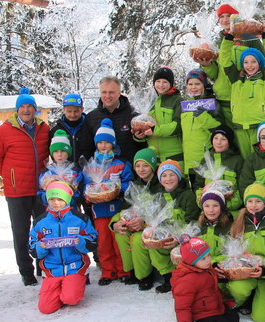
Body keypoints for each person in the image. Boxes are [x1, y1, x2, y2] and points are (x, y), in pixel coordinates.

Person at [0, 88, 50, 286]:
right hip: (18, 190)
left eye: (29, 106)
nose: (26, 110)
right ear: (17, 110)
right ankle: (26, 271)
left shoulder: (44, 128)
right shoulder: (3, 131)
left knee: (42, 229)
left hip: (40, 188)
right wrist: (10, 176)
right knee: (21, 232)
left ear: (35, 109)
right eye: (22, 106)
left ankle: (45, 266)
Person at [222, 183, 265, 321]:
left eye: (258, 201)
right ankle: (244, 300)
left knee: (260, 317)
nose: (254, 205)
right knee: (237, 289)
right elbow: (232, 250)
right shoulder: (240, 222)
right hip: (245, 273)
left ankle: (257, 300)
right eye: (250, 201)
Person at [29, 182, 97, 314]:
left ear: (67, 199)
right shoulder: (40, 222)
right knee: (45, 309)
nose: (56, 203)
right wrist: (40, 246)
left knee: (71, 299)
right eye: (52, 199)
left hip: (74, 266)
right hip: (52, 269)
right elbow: (32, 247)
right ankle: (58, 287)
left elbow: (94, 241)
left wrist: (81, 241)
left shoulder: (80, 219)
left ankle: (73, 284)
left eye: (60, 199)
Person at [82, 119, 134, 285]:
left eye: (107, 143)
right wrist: (89, 194)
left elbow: (128, 182)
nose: (104, 146)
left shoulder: (121, 164)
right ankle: (108, 271)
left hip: (117, 210)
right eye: (101, 143)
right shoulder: (90, 166)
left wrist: (119, 191)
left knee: (118, 241)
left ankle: (123, 270)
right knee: (103, 243)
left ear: (113, 144)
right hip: (99, 210)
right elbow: (86, 185)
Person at [221, 28, 265, 158]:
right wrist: (228, 38)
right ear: (242, 64)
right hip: (239, 128)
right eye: (246, 62)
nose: (250, 65)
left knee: (260, 160)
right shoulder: (236, 79)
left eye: (253, 61)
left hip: (258, 128)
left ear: (259, 63)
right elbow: (224, 60)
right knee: (245, 161)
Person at [171, 237, 239, 322]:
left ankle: (218, 317)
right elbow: (182, 306)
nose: (208, 260)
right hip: (200, 313)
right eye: (203, 258)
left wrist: (224, 301)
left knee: (234, 319)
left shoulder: (207, 269)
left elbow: (213, 290)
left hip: (212, 306)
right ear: (191, 261)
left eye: (208, 256)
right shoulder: (187, 280)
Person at [110, 148, 161, 289]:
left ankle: (144, 275)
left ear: (152, 166)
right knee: (121, 235)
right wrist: (116, 222)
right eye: (137, 166)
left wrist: (144, 223)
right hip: (135, 221)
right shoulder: (135, 185)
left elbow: (163, 211)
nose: (141, 169)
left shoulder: (160, 185)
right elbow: (125, 208)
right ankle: (131, 271)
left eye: (145, 165)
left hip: (154, 224)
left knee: (139, 239)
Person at [148, 160, 200, 293]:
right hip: (167, 237)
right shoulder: (158, 196)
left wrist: (180, 238)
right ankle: (167, 277)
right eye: (164, 175)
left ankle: (183, 277)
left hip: (185, 236)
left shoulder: (188, 195)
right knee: (154, 247)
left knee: (185, 251)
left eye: (172, 174)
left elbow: (192, 221)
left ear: (178, 176)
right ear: (160, 179)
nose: (168, 179)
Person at [134, 67, 184, 171]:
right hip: (153, 155)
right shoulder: (149, 101)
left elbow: (178, 126)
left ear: (171, 84)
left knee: (174, 185)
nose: (161, 85)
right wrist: (140, 135)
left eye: (165, 82)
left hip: (174, 154)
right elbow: (145, 125)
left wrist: (154, 130)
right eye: (158, 81)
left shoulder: (177, 100)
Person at [86, 75, 144, 164]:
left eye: (111, 92)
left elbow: (141, 147)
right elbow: (88, 149)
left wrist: (140, 137)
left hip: (127, 172)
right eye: (104, 92)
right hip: (101, 172)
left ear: (119, 93)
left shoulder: (132, 116)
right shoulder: (91, 118)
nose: (107, 96)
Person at [194, 125, 244, 216]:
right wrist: (204, 203)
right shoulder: (206, 160)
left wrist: (226, 205)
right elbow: (198, 186)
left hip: (231, 210)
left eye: (223, 139)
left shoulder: (237, 161)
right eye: (216, 138)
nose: (218, 142)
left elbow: (242, 187)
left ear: (229, 142)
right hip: (208, 211)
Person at [180, 69, 222, 177]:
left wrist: (202, 116)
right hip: (188, 160)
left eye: (197, 84)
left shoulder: (211, 103)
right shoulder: (185, 105)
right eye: (190, 84)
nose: (193, 87)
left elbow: (219, 128)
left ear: (204, 85)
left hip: (205, 160)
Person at [37, 130, 83, 208]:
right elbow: (41, 192)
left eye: (63, 151)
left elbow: (80, 192)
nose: (59, 154)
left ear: (68, 152)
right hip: (52, 211)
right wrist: (47, 198)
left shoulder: (74, 171)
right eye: (56, 151)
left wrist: (69, 199)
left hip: (71, 210)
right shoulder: (47, 172)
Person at [49, 93, 94, 166]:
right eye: (69, 111)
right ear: (63, 110)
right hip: (66, 174)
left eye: (76, 111)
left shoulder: (89, 127)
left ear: (82, 109)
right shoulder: (55, 131)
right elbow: (52, 152)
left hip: (87, 172)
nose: (73, 115)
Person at [197, 189, 233, 264]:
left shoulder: (229, 227)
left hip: (220, 267)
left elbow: (230, 253)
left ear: (221, 208)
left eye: (215, 206)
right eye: (207, 206)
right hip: (201, 268)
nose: (211, 210)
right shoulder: (198, 226)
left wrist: (213, 262)